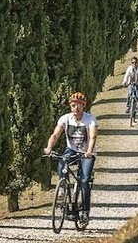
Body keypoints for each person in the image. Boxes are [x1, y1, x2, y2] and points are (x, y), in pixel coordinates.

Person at [43, 91, 98, 220]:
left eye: (79, 105)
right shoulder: (65, 118)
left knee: (84, 181)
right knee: (62, 161)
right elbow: (55, 135)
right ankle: (63, 187)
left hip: (86, 152)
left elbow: (93, 137)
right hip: (72, 150)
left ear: (84, 106)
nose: (76, 108)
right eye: (73, 105)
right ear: (70, 106)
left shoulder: (90, 119)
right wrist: (49, 147)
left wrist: (89, 152)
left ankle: (85, 211)